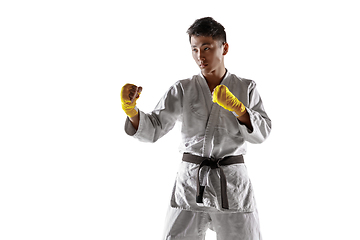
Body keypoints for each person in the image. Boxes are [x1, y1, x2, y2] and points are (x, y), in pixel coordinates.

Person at [121, 17, 271, 240]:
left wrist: (239, 109)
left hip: (231, 181)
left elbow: (263, 133)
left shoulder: (245, 87)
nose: (200, 56)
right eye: (194, 49)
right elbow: (154, 128)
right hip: (191, 181)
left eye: (207, 48)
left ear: (224, 48)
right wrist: (132, 111)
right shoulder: (183, 88)